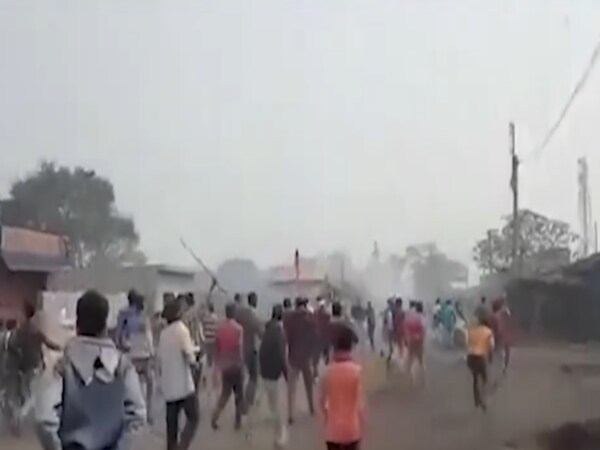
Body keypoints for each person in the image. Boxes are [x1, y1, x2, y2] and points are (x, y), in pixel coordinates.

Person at [35, 290, 146, 450]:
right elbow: (137, 416)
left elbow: (45, 419)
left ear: (77, 324)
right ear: (105, 325)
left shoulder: (62, 366)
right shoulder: (122, 366)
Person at [157, 299, 199, 450]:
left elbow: (160, 360)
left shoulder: (163, 334)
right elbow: (189, 355)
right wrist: (195, 360)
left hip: (169, 388)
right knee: (193, 418)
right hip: (184, 387)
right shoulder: (182, 330)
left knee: (171, 429)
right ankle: (182, 446)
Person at [318, 326, 365, 450]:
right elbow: (360, 405)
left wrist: (327, 419)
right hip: (352, 429)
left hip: (333, 430)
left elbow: (321, 402)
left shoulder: (327, 372)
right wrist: (362, 428)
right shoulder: (356, 371)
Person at [115, 290, 154, 424]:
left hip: (130, 352)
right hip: (142, 352)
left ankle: (129, 411)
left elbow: (118, 335)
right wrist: (152, 351)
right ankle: (148, 412)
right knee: (149, 382)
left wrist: (121, 346)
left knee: (128, 384)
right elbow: (148, 335)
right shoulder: (142, 315)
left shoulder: (123, 314)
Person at [259, 304, 289, 448]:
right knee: (277, 406)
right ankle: (280, 436)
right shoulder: (279, 332)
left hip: (264, 370)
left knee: (271, 402)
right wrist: (286, 373)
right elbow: (281, 355)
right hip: (274, 373)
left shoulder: (267, 330)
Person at [211, 302, 244, 431]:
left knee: (225, 394)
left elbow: (216, 348)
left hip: (225, 366)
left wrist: (217, 365)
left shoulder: (219, 328)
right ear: (234, 313)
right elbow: (240, 348)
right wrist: (242, 363)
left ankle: (215, 416)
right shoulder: (238, 329)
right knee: (238, 395)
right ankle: (237, 422)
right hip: (236, 365)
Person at [285, 297, 316, 424]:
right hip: (306, 356)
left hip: (293, 355)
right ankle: (311, 407)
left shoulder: (289, 319)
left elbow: (287, 337)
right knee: (309, 384)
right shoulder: (310, 318)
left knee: (292, 386)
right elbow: (314, 336)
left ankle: (290, 414)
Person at [235, 291, 263, 412]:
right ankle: (247, 402)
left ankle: (240, 399)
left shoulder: (241, 313)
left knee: (242, 376)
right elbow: (260, 332)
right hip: (252, 349)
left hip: (240, 348)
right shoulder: (253, 314)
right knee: (253, 376)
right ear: (255, 301)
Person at [466, 315, 495, 411]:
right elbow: (491, 346)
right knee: (485, 378)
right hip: (481, 357)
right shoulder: (488, 332)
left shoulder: (472, 331)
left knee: (475, 378)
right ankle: (483, 399)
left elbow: (467, 343)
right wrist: (490, 358)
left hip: (470, 357)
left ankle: (476, 399)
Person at [180, 293, 204, 389]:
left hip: (190, 344)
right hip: (197, 344)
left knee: (191, 370)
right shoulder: (197, 313)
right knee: (197, 369)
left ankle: (192, 389)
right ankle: (196, 389)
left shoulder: (185, 315)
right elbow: (200, 329)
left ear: (186, 302)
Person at [404, 302, 426, 386]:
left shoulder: (410, 317)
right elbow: (424, 330)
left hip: (411, 340)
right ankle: (423, 377)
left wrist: (406, 340)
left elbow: (406, 328)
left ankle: (409, 378)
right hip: (419, 340)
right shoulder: (422, 317)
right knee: (421, 359)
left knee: (410, 359)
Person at [201, 302, 219, 387]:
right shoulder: (216, 318)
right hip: (214, 341)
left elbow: (202, 328)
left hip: (207, 341)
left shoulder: (205, 319)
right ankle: (214, 379)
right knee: (214, 360)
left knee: (207, 361)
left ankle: (207, 378)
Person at [313, 298, 331, 375]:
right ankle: (328, 371)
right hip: (325, 337)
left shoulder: (315, 314)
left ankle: (315, 372)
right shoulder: (327, 315)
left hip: (317, 336)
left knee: (316, 356)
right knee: (326, 355)